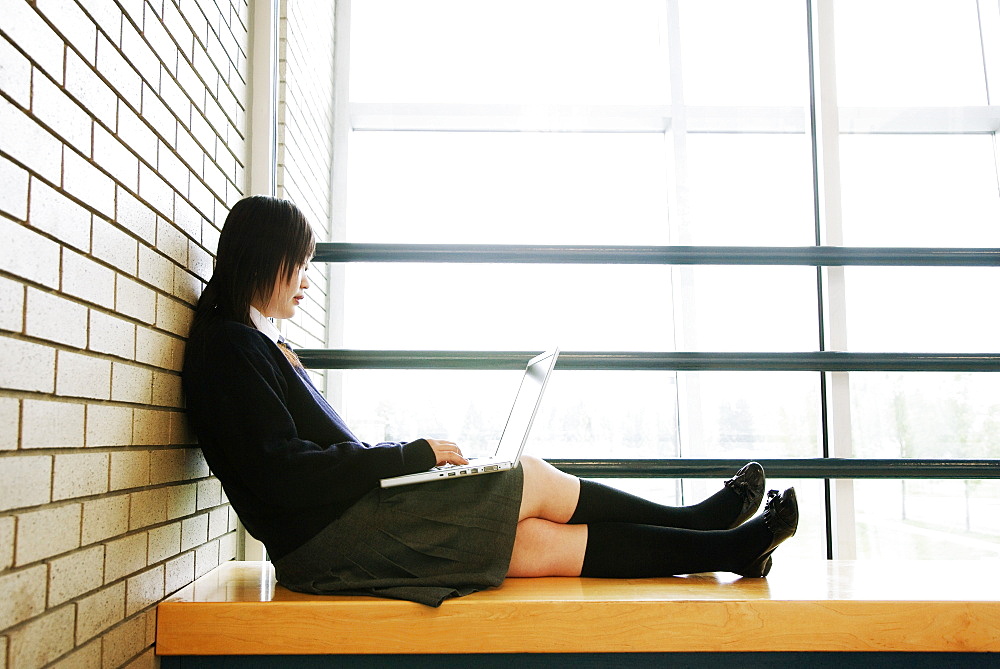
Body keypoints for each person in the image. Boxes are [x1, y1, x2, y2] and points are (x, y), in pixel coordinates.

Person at [182, 195, 799, 607]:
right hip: (325, 544)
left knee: (535, 543)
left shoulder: (248, 345)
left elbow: (300, 460)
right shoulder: (233, 350)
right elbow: (285, 474)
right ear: (269, 260)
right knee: (529, 479)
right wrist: (404, 457)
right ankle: (699, 522)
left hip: (330, 534)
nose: (305, 281)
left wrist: (399, 462)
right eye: (301, 266)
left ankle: (727, 547)